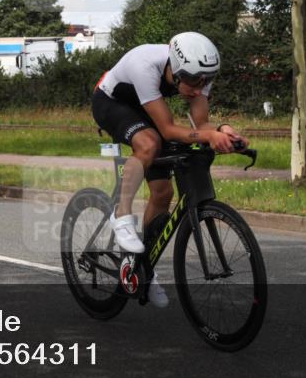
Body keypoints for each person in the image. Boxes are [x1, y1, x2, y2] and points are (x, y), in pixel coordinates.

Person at [92, 32, 248, 307]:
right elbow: (166, 129)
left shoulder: (198, 76)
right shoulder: (145, 65)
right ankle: (122, 215)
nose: (199, 89)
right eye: (193, 82)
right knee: (149, 144)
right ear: (175, 70)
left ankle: (143, 268)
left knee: (163, 193)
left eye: (206, 81)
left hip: (146, 108)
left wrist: (224, 131)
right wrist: (208, 136)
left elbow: (201, 125)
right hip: (112, 102)